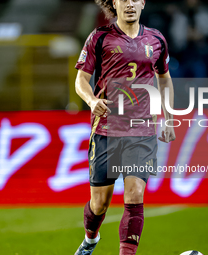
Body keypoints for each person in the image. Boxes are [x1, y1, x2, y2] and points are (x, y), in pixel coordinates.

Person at [74, 0, 176, 254]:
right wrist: (91, 100)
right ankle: (90, 239)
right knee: (99, 205)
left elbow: (164, 79)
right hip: (106, 130)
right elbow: (81, 80)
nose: (129, 4)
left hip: (141, 130)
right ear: (114, 4)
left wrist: (170, 118)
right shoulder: (99, 38)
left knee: (134, 195)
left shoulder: (156, 40)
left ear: (142, 3)